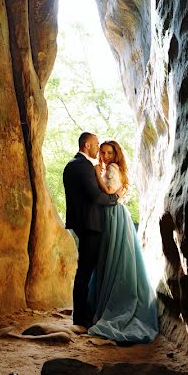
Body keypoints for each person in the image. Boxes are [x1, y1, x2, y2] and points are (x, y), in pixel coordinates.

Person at [86, 140, 159, 343]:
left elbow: (109, 192)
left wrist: (96, 174)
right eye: (102, 152)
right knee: (110, 256)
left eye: (109, 153)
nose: (105, 156)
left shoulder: (112, 168)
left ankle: (114, 306)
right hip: (113, 213)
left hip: (113, 214)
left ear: (115, 155)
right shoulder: (110, 168)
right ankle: (103, 302)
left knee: (113, 256)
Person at [62, 132, 119, 330]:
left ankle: (84, 313)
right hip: (89, 224)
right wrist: (115, 199)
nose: (98, 150)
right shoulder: (82, 166)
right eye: (95, 145)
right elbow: (95, 196)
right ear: (87, 145)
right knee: (85, 270)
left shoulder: (73, 165)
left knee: (86, 269)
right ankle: (80, 317)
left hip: (83, 223)